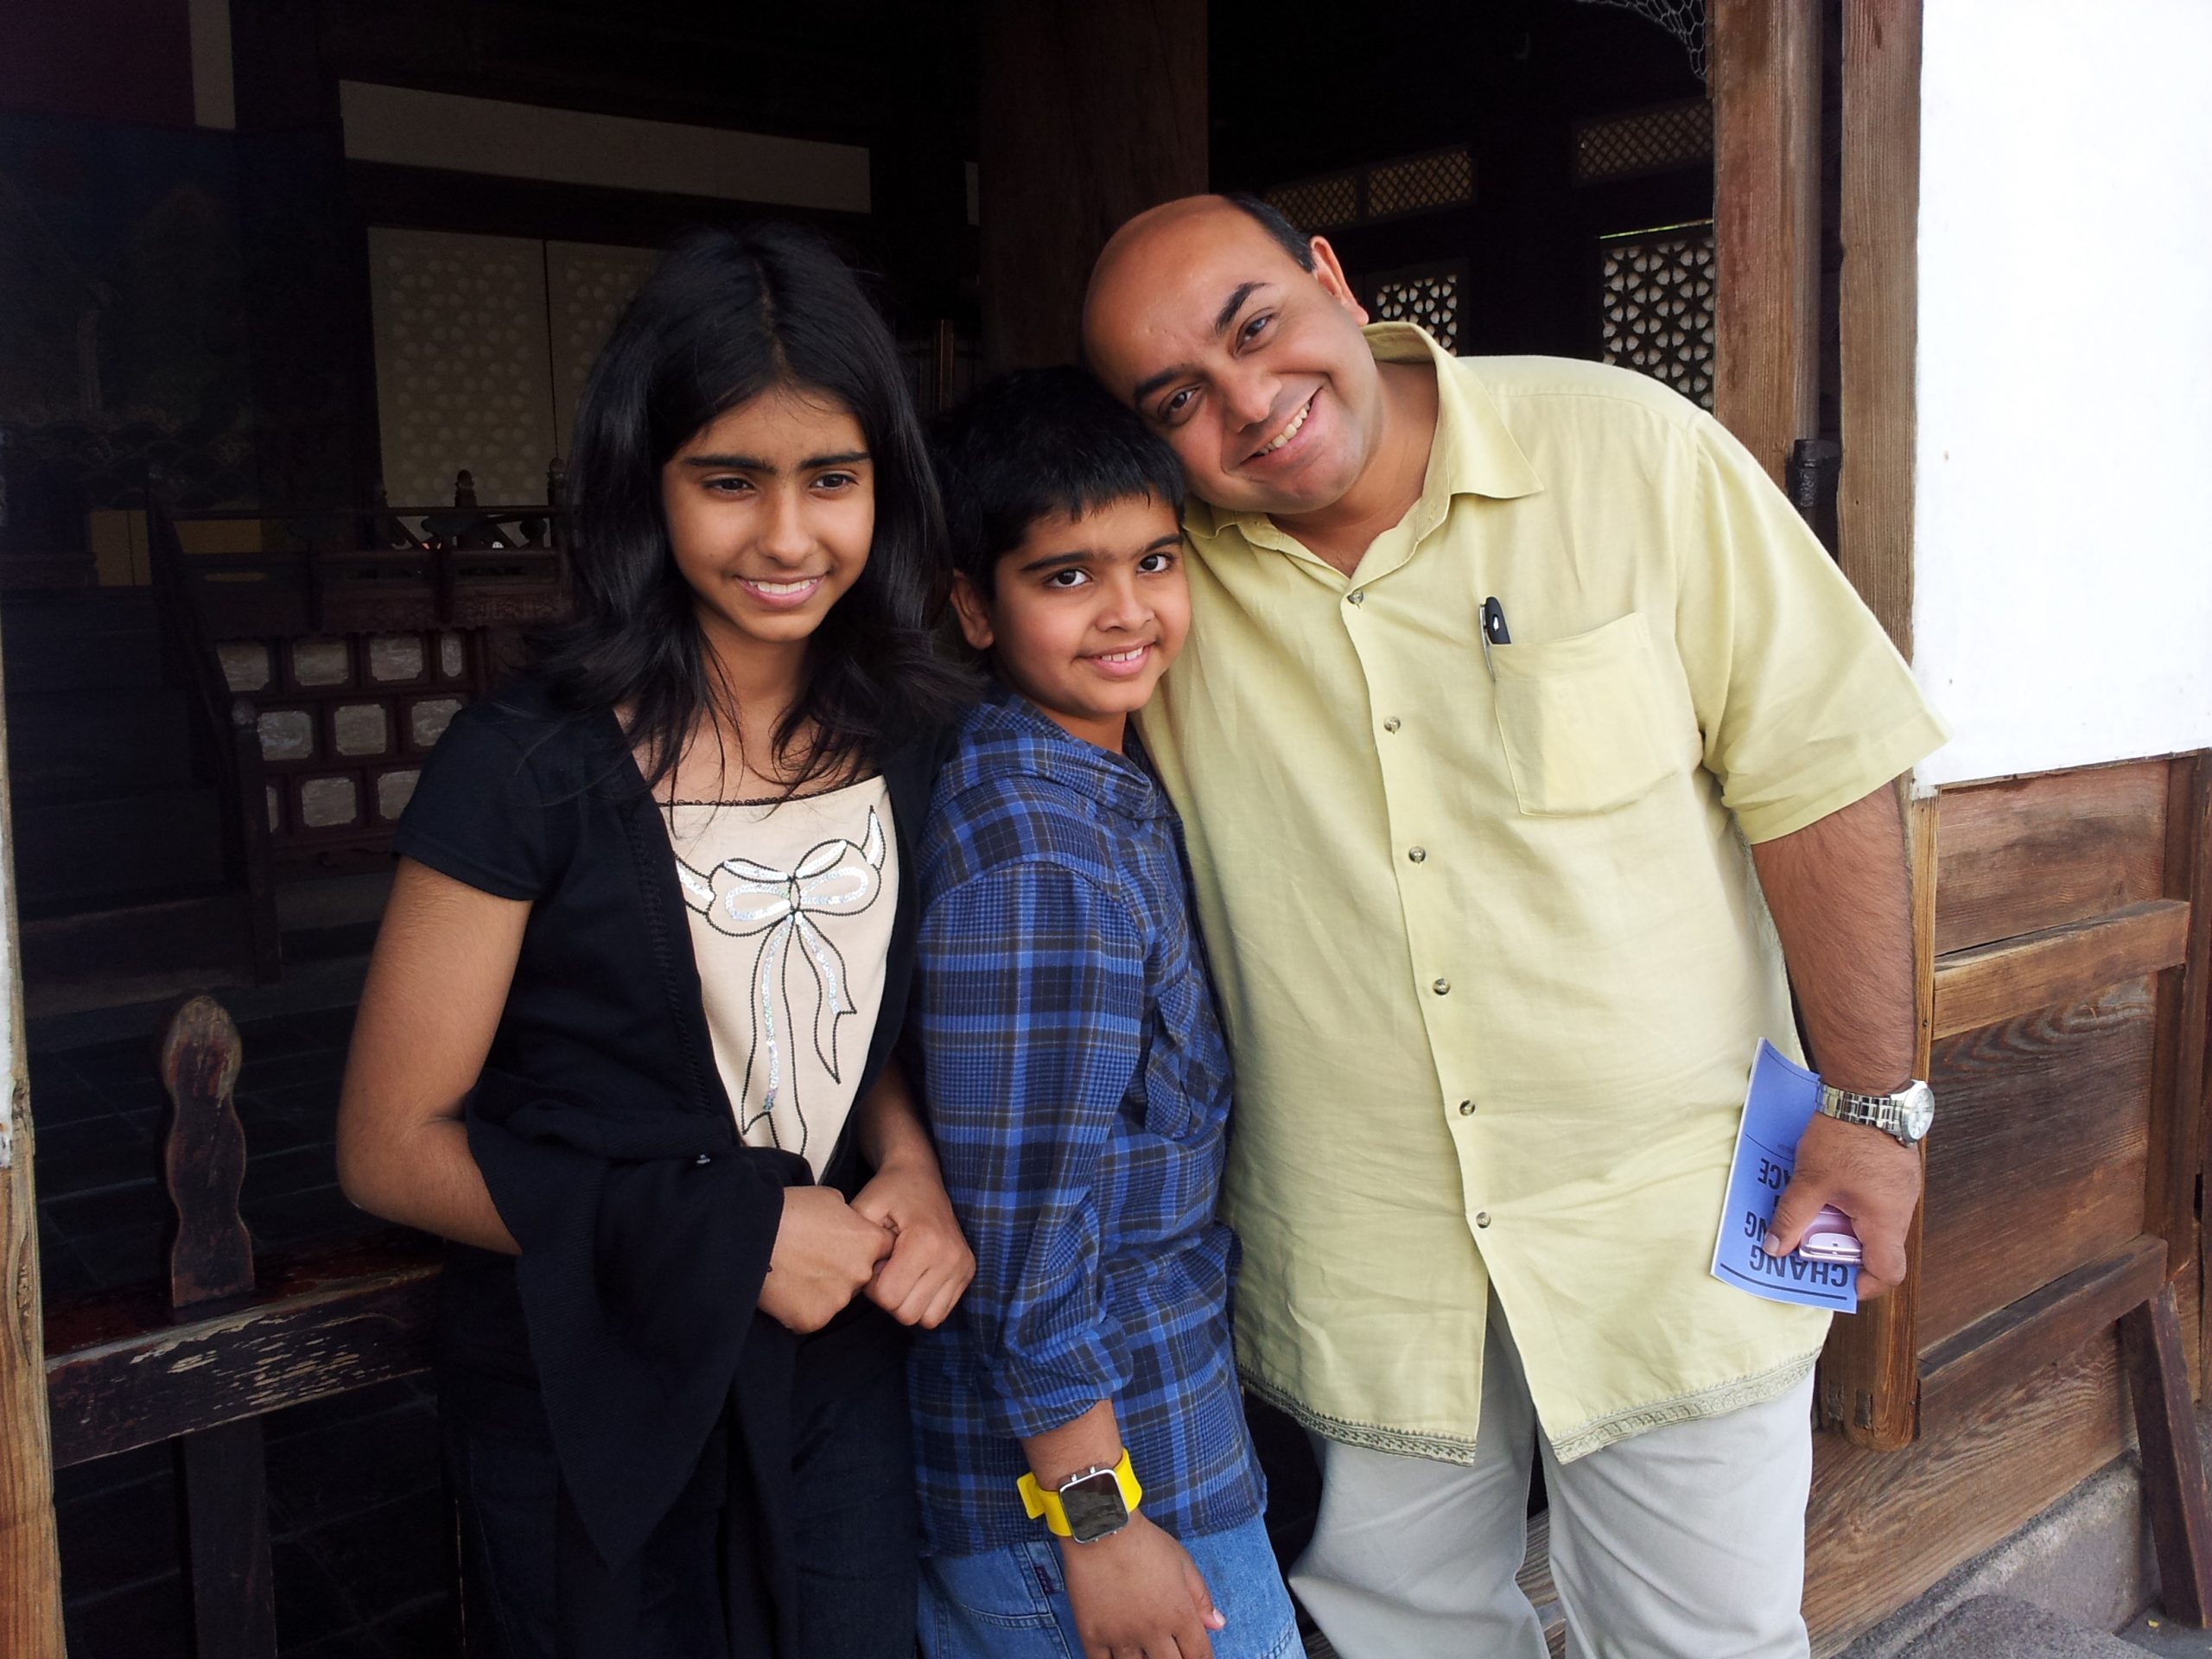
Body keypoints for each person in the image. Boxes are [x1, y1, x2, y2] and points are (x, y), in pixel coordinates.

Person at [1080, 194, 1951, 1657]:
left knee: (1709, 1642)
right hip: (1356, 1251)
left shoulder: (1626, 452)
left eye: (1257, 327)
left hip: (1669, 1224)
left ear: (1331, 278)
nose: (1249, 403)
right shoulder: (1156, 582)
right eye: (1178, 399)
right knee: (1405, 1640)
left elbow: (1823, 772)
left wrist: (1874, 1109)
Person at [335, 223, 976, 1659]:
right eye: (729, 481)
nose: (788, 537)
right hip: (598, 1391)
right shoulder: (526, 764)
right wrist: (732, 1236)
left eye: (833, 479)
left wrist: (911, 1164)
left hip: (834, 1368)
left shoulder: (909, 737)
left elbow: (819, 1022)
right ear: (646, 483)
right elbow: (389, 1147)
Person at [906, 368, 1302, 1659]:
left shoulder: (1104, 775)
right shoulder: (1040, 860)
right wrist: (1098, 1524)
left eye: (1154, 562)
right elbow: (1021, 1243)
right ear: (976, 605)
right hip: (1090, 1493)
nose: (1127, 610)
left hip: (1162, 1424)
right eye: (1067, 576)